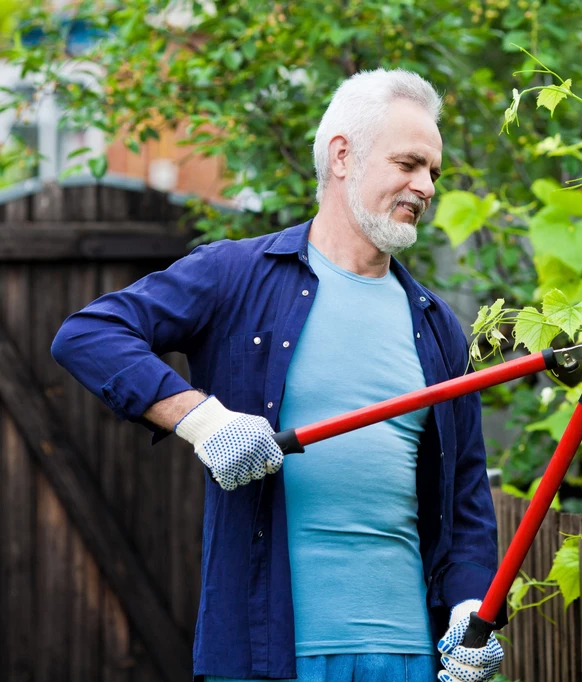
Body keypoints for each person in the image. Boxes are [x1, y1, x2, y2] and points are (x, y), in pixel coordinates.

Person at [51, 68, 505, 682]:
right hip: (265, 655)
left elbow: (467, 495)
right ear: (343, 156)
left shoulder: (437, 325)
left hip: (408, 658)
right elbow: (89, 335)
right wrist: (201, 420)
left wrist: (470, 606)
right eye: (408, 164)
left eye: (433, 173)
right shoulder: (235, 276)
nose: (425, 186)